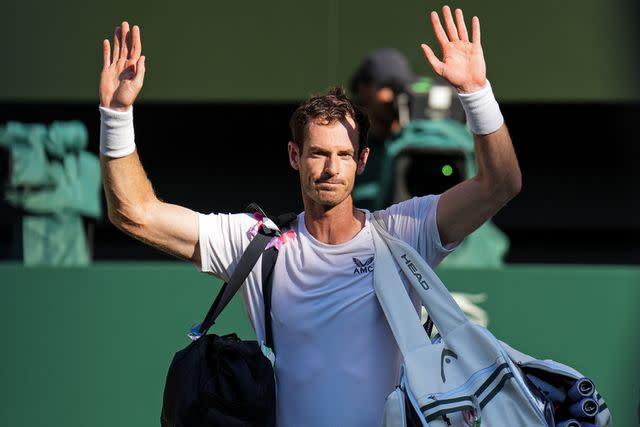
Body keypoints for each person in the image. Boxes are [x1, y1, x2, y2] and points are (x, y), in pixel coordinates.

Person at [98, 5, 521, 426]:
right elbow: (134, 214)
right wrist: (116, 114)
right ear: (294, 156)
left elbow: (499, 184)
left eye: (344, 155)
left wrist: (476, 91)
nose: (331, 168)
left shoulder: (403, 232)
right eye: (318, 153)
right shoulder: (259, 244)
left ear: (363, 160)